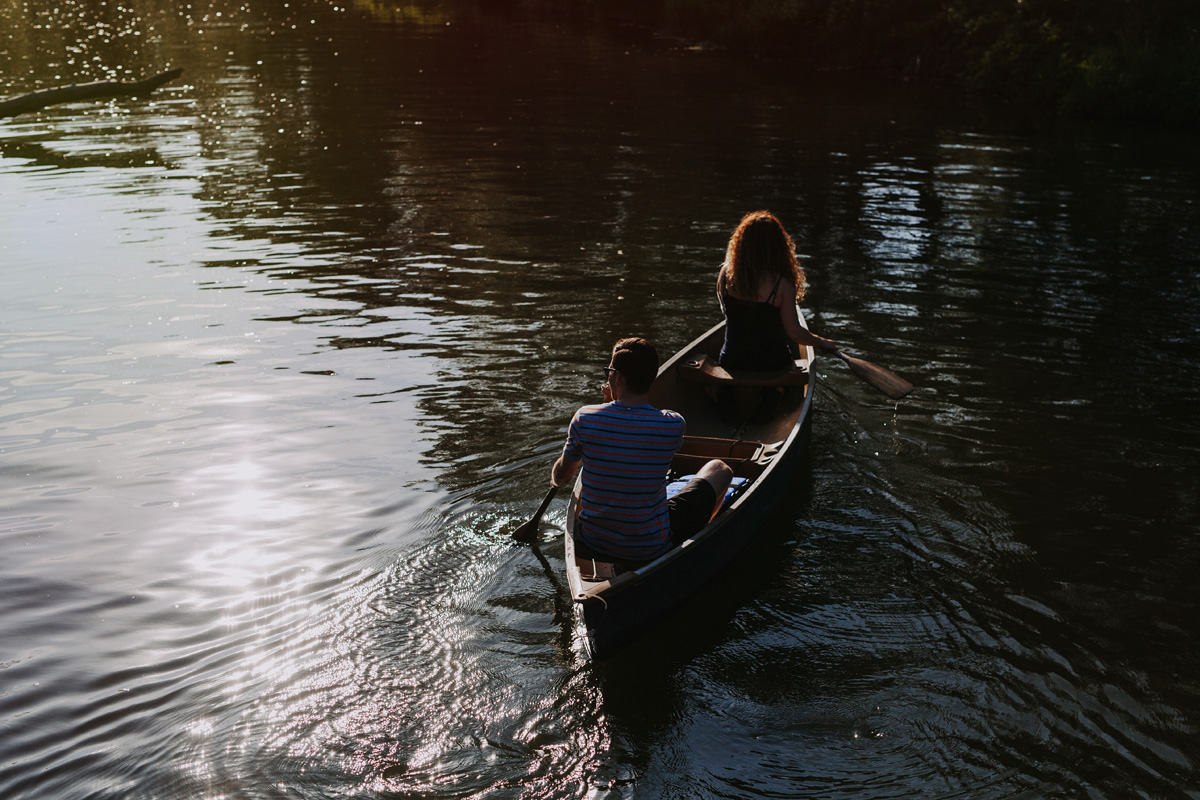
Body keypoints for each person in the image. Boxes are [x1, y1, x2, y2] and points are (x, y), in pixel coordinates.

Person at [551, 337, 734, 563]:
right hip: (650, 547)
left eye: (609, 371)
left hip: (592, 543)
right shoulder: (673, 424)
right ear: (652, 378)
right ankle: (701, 531)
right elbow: (640, 433)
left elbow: (562, 477)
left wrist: (608, 403)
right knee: (720, 468)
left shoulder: (585, 417)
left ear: (616, 377)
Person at [716, 210, 840, 371]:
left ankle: (724, 391)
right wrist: (822, 342)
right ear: (779, 247)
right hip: (772, 365)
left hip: (731, 362)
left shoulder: (725, 273)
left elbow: (725, 312)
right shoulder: (782, 283)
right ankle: (777, 392)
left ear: (741, 243)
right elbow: (795, 333)